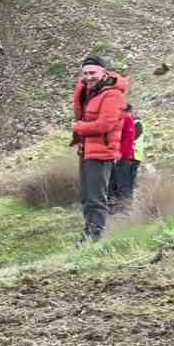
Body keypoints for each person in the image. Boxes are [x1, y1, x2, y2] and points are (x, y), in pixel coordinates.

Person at [70, 56, 128, 242]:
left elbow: (105, 125)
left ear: (104, 72)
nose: (89, 77)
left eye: (92, 72)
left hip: (102, 152)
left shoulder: (113, 95)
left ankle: (95, 237)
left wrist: (79, 128)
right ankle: (89, 234)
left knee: (96, 198)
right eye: (85, 73)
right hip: (87, 150)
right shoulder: (90, 92)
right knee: (87, 197)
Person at [109, 104, 144, 210]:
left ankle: (125, 208)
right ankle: (120, 207)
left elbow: (128, 138)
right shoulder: (132, 122)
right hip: (129, 156)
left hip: (131, 157)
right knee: (120, 183)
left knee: (125, 184)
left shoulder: (136, 123)